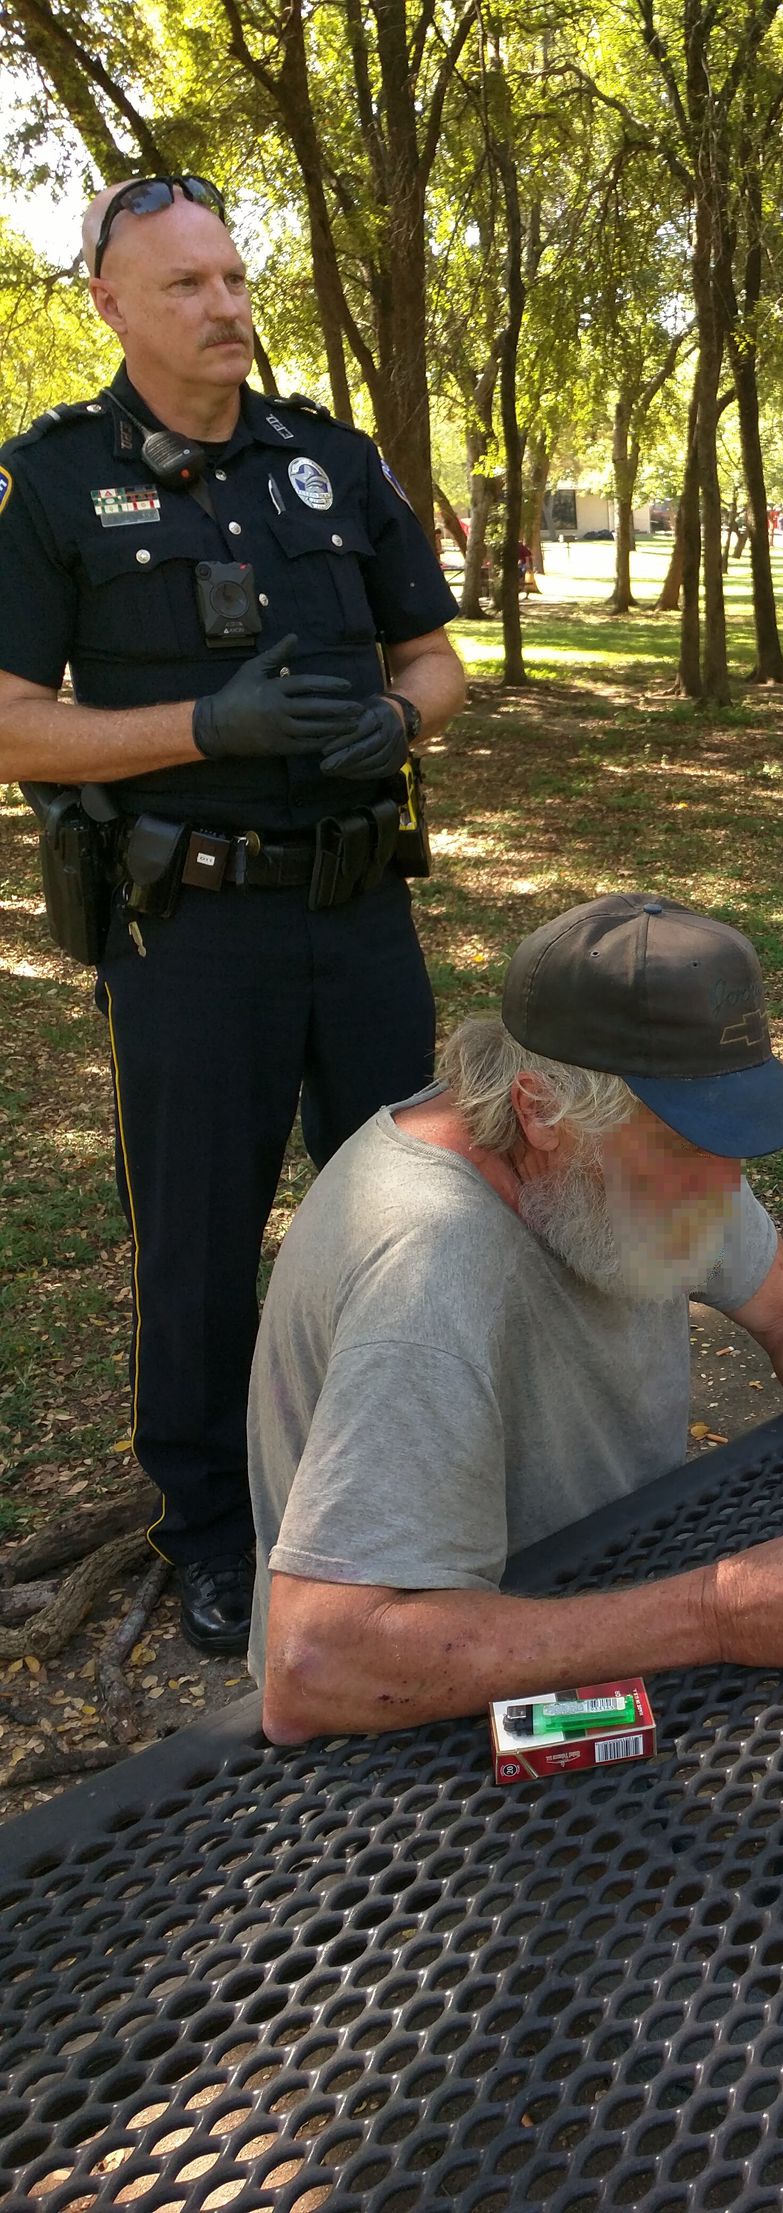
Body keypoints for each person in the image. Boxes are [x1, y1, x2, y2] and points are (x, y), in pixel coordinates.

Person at [0, 176, 468, 1654]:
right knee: (198, 1236)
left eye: (234, 277)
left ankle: (393, 1481)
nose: (225, 307)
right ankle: (209, 1524)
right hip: (189, 930)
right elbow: (10, 724)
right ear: (113, 304)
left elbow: (438, 655)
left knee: (409, 1209)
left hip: (362, 912)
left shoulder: (328, 459)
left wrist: (398, 721)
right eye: (187, 284)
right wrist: (209, 724)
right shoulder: (56, 484)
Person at [250, 893, 783, 1742]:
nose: (721, 1188)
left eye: (727, 1144)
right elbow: (317, 1665)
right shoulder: (426, 1273)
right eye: (683, 1148)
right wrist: (713, 1614)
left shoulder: (623, 1156)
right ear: (539, 1108)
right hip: (439, 1723)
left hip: (610, 1588)